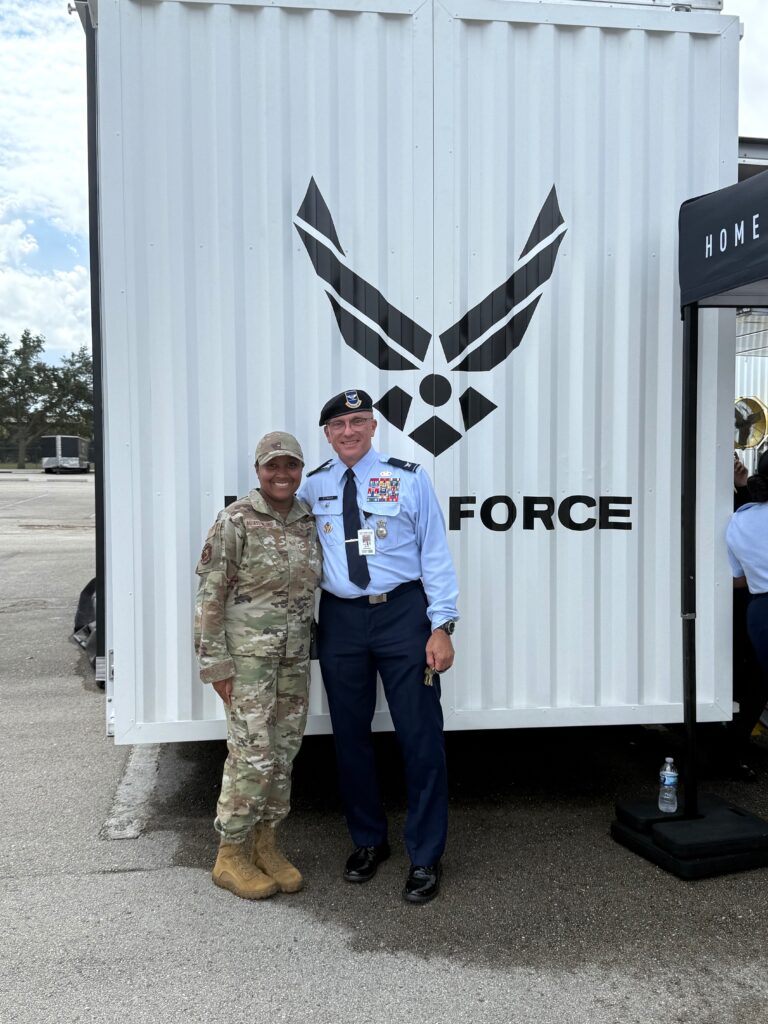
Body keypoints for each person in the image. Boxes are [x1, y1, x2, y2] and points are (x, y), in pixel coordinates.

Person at [298, 389, 459, 904]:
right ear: (326, 433)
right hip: (341, 619)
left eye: (359, 421)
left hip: (403, 615)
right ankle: (368, 841)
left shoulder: (409, 478)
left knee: (420, 736)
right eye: (339, 424)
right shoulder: (314, 485)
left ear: (373, 428)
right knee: (350, 737)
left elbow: (435, 552)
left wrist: (442, 626)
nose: (349, 431)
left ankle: (426, 854)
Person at [194, 431, 321, 900]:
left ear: (301, 470)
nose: (282, 474)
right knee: (252, 754)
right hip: (247, 662)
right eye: (273, 466)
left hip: (293, 658)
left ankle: (267, 846)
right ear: (258, 470)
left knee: (285, 751)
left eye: (291, 466)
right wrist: (215, 664)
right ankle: (230, 855)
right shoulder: (236, 520)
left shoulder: (307, 520)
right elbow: (211, 594)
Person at [726, 450, 768, 765]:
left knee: (757, 682)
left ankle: (735, 747)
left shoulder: (740, 520)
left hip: (758, 609)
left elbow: (736, 578)